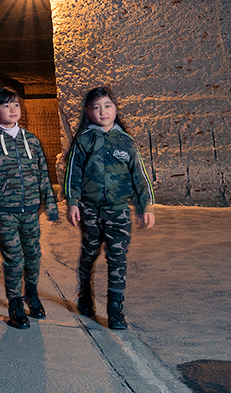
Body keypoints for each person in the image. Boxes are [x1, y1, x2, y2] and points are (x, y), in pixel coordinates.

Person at [64, 86, 155, 330]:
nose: (102, 112)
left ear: (115, 109)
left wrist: (146, 206)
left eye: (107, 106)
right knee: (90, 253)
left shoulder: (126, 142)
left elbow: (140, 176)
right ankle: (85, 293)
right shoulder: (84, 141)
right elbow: (73, 174)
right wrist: (73, 202)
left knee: (118, 259)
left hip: (118, 211)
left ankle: (116, 311)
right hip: (90, 210)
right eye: (95, 107)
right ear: (88, 112)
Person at [0, 86, 58, 328]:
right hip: (5, 210)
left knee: (33, 256)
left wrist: (49, 204)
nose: (12, 109)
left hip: (31, 210)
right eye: (5, 105)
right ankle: (15, 303)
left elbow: (43, 175)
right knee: (14, 259)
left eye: (16, 104)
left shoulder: (32, 140)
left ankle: (31, 294)